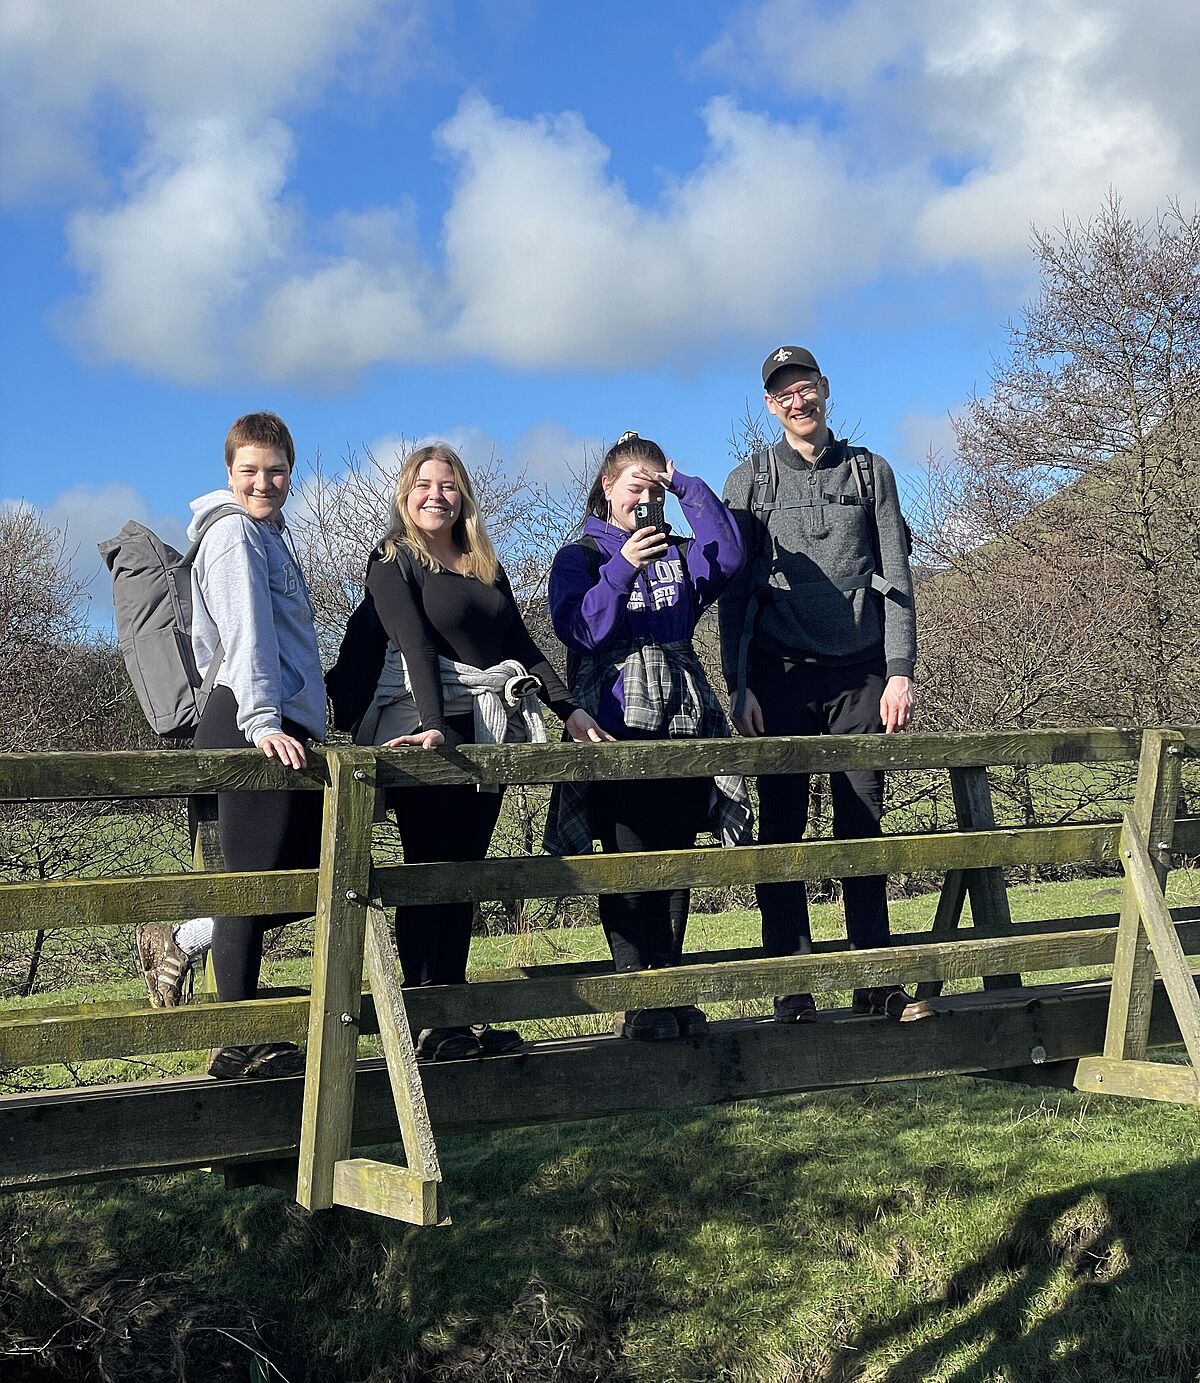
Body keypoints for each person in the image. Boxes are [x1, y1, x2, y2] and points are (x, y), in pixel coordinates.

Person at [357, 443, 608, 1062]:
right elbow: (414, 645)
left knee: (465, 871)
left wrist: (569, 708)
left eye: (447, 485)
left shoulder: (483, 565)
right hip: (426, 728)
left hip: (491, 728)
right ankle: (422, 1020)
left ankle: (454, 1018)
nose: (434, 496)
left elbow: (522, 645)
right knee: (431, 871)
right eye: (422, 485)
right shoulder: (392, 560)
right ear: (404, 494)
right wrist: (436, 728)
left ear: (463, 494)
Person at [718, 346, 933, 1024]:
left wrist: (901, 672)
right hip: (777, 678)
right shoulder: (747, 481)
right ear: (769, 404)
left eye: (805, 387)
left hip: (861, 675)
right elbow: (732, 596)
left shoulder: (871, 473)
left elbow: (897, 578)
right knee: (781, 829)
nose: (797, 401)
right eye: (783, 393)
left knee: (862, 822)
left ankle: (875, 980)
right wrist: (738, 682)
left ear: (825, 390)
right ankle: (794, 984)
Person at [546, 431, 751, 1042]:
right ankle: (639, 996)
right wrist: (623, 566)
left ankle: (673, 989)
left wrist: (684, 486)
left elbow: (731, 556)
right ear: (608, 487)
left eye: (653, 488)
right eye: (635, 487)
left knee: (675, 855)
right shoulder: (580, 556)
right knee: (631, 858)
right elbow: (579, 630)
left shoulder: (681, 553)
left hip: (684, 716)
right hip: (614, 725)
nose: (644, 499)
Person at [177, 412, 326, 1077]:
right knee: (251, 885)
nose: (263, 482)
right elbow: (243, 639)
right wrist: (262, 719)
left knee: (304, 882)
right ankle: (236, 1044)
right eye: (250, 471)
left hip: (274, 719)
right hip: (252, 720)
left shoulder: (271, 535)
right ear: (229, 472)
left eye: (276, 470)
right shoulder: (236, 534)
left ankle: (181, 939)